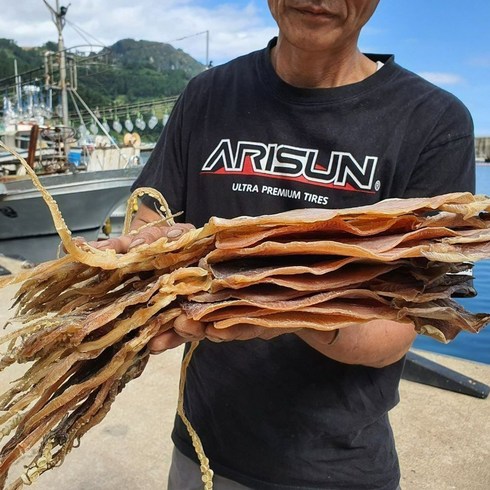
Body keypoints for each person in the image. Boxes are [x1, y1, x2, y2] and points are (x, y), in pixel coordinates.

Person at [96, 1, 475, 488]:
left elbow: (394, 333)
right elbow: (152, 214)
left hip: (335, 467)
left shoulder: (433, 121)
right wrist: (140, 256)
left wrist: (271, 297)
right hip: (202, 449)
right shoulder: (208, 94)